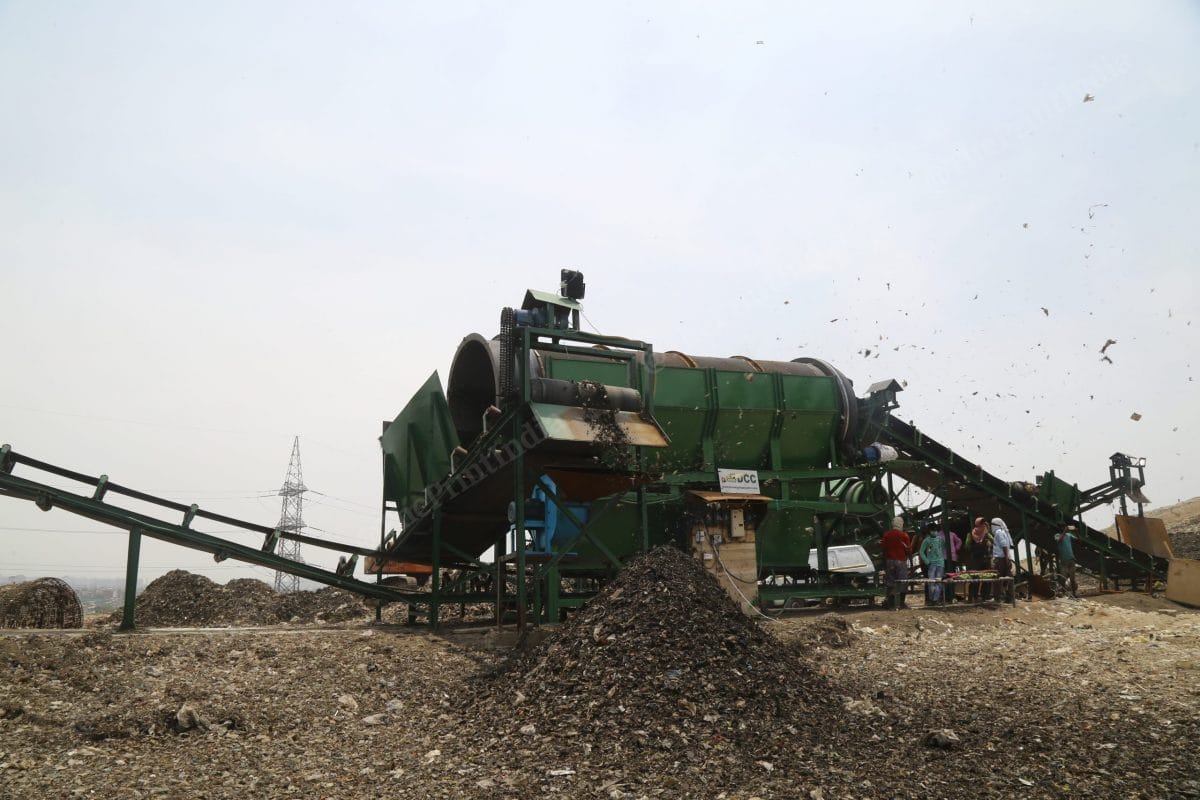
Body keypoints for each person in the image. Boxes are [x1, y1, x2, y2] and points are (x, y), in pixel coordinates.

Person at [880, 516, 912, 609]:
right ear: (901, 524)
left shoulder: (887, 535)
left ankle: (891, 605)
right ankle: (901, 603)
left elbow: (883, 546)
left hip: (890, 561)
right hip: (901, 561)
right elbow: (908, 549)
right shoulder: (904, 536)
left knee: (891, 582)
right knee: (903, 581)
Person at [962, 517, 993, 601]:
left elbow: (994, 542)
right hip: (975, 560)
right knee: (975, 579)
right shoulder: (970, 534)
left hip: (985, 559)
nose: (982, 525)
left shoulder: (986, 534)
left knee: (987, 578)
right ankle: (972, 597)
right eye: (981, 523)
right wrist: (977, 545)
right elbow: (966, 546)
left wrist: (988, 543)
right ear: (977, 524)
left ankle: (985, 597)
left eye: (983, 523)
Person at [918, 522, 947, 605]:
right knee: (931, 582)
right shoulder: (926, 540)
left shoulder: (941, 539)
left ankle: (935, 599)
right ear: (929, 531)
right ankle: (932, 599)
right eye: (932, 530)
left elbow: (944, 548)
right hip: (931, 564)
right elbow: (921, 551)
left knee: (938, 582)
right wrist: (926, 561)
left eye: (935, 530)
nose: (934, 532)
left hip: (940, 564)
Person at [991, 517, 1015, 603]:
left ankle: (998, 598)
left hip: (1001, 559)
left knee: (997, 579)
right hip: (1005, 558)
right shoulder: (1003, 532)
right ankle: (1010, 598)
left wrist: (1005, 559)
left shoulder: (998, 532)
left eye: (992, 525)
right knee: (1008, 578)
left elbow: (1004, 545)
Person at [1054, 524, 1079, 597]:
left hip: (1071, 559)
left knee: (1072, 579)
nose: (1064, 529)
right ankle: (1063, 593)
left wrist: (1076, 532)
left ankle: (1074, 594)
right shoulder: (1057, 535)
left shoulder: (1069, 535)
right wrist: (1064, 531)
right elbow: (1059, 541)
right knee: (1063, 578)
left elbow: (1078, 539)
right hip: (1064, 561)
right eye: (1063, 528)